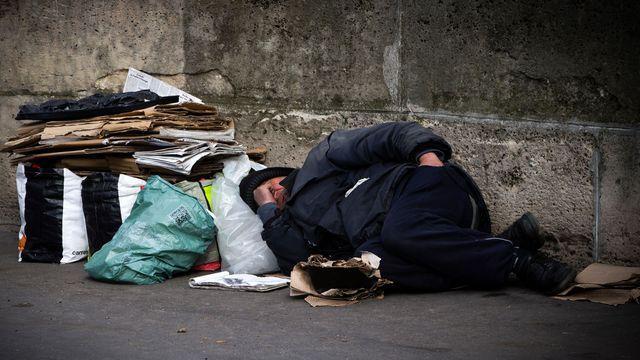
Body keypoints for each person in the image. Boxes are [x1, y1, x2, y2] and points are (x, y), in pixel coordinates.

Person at [239, 122, 576, 295]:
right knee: (366, 268)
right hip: (417, 238)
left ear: (283, 175)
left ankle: (520, 261)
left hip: (422, 188)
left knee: (400, 229)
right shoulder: (295, 225)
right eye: (266, 197)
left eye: (271, 185)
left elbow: (388, 135)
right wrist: (269, 212)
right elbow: (295, 265)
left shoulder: (321, 160)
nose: (276, 192)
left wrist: (428, 154)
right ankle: (499, 249)